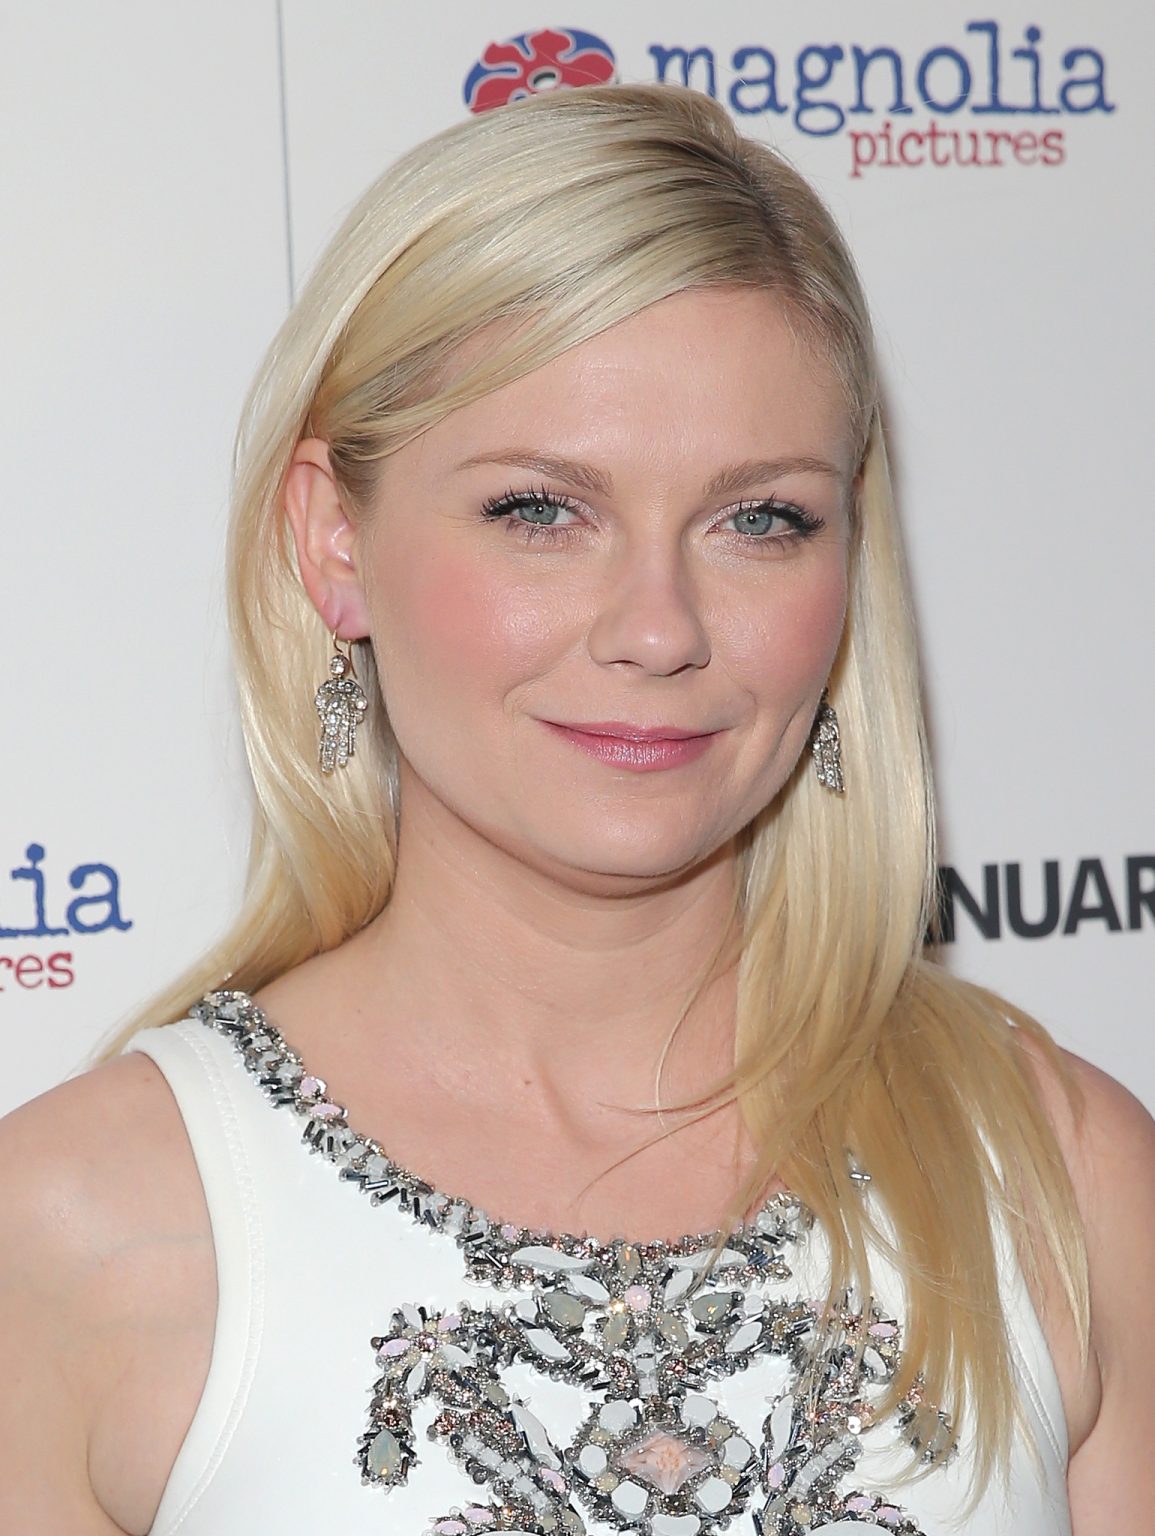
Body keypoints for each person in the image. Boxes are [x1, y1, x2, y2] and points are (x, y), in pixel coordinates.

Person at [0, 82, 1150, 1536]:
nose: (659, 628)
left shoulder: (1059, 1175)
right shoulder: (76, 1227)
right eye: (541, 510)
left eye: (761, 519)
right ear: (334, 540)